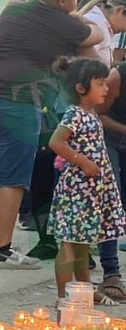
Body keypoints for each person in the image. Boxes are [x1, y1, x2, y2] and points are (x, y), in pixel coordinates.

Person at [0, 0, 103, 269]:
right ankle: (2, 250)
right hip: (18, 104)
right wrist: (78, 19)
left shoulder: (14, 8)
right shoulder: (62, 21)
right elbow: (94, 35)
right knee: (14, 180)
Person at [48, 57, 126, 303]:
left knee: (83, 243)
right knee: (70, 244)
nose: (106, 89)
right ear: (81, 88)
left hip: (93, 191)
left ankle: (84, 290)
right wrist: (81, 161)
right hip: (78, 190)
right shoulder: (75, 115)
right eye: (100, 83)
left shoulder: (90, 114)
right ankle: (63, 296)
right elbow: (56, 142)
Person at [91, 0, 126, 294]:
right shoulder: (117, 76)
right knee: (111, 205)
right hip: (112, 143)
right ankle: (111, 273)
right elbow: (99, 116)